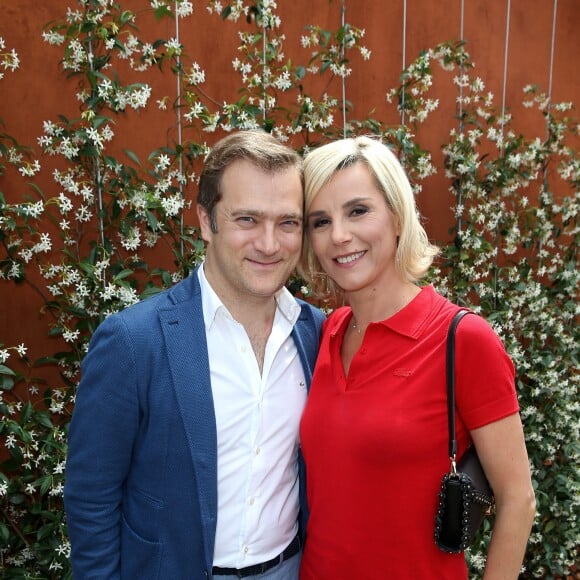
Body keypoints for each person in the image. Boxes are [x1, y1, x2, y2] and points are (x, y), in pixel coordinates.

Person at [64, 130, 325, 580]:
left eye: (288, 222)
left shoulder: (315, 333)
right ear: (206, 221)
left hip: (289, 568)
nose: (269, 244)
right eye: (247, 219)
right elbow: (92, 497)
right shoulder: (133, 341)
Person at [297, 136, 536, 579]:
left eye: (358, 211)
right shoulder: (324, 333)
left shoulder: (462, 339)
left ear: (397, 216)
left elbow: (518, 497)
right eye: (320, 220)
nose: (339, 235)